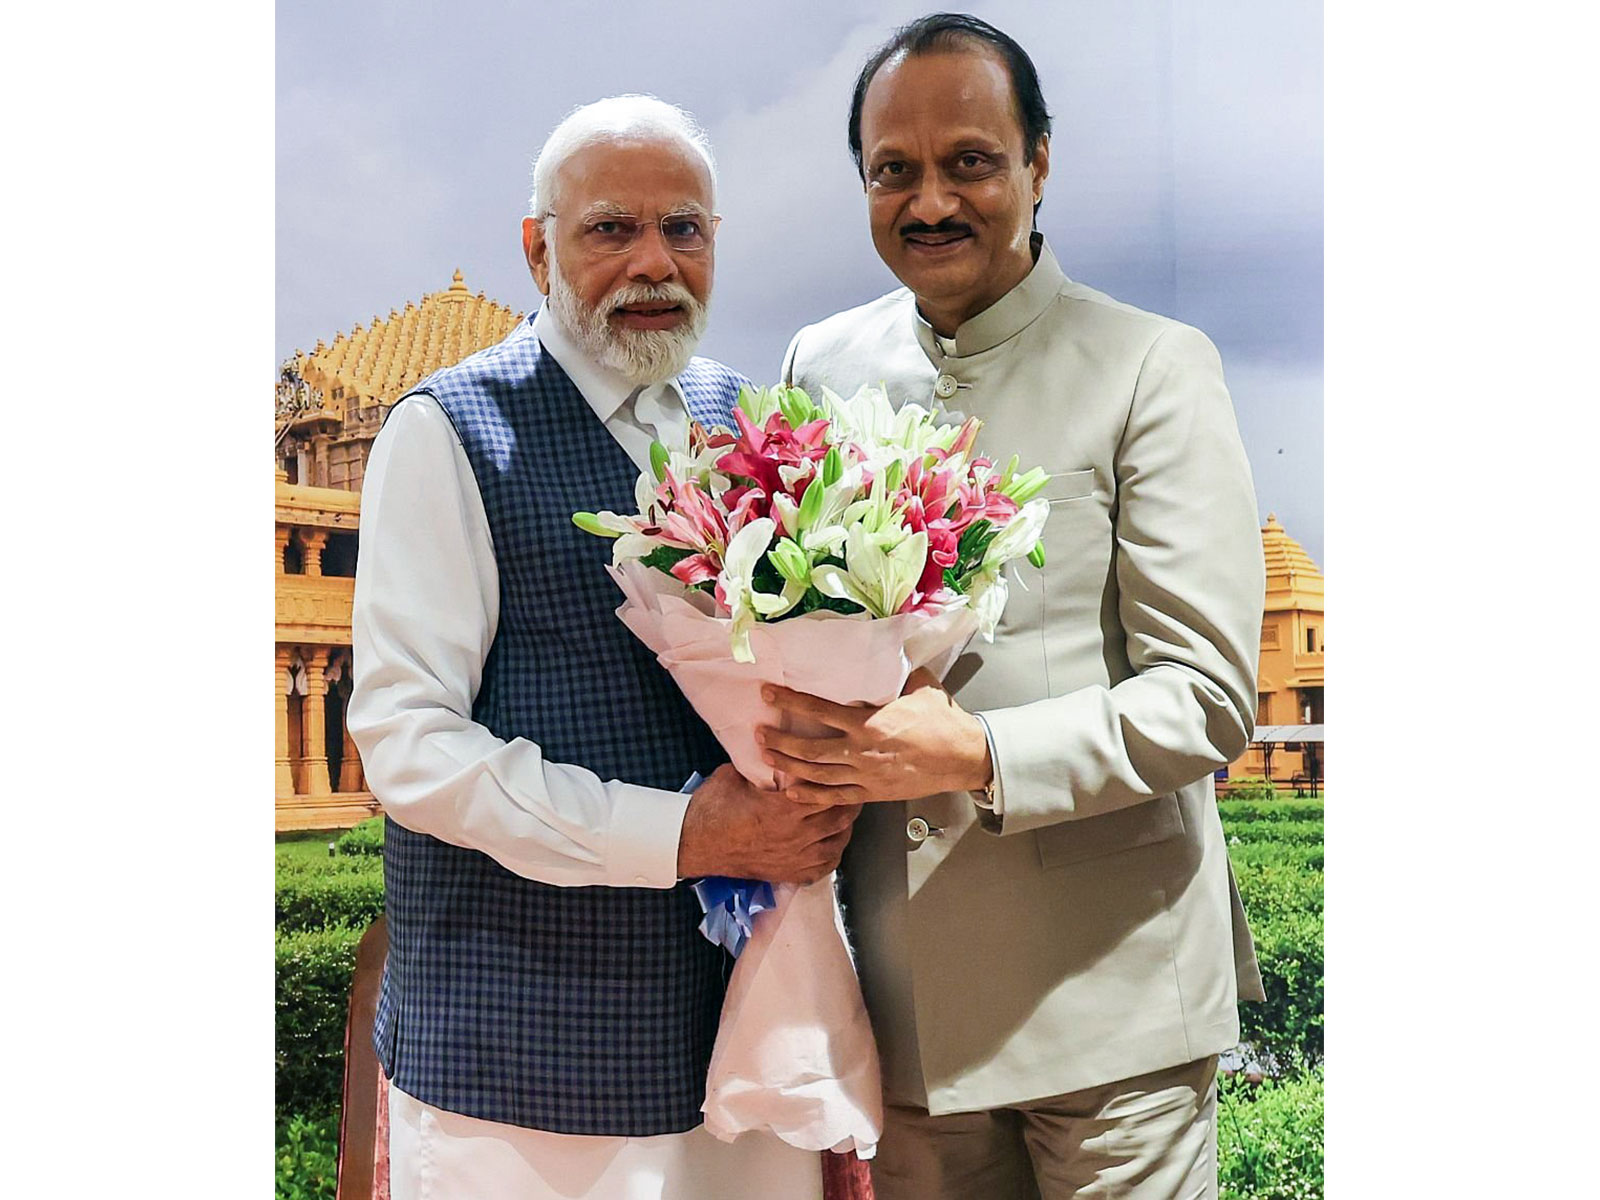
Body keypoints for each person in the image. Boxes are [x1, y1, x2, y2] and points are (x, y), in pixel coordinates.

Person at [765, 15, 1267, 1199]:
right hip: (903, 1016)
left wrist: (980, 750)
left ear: (1038, 165)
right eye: (895, 170)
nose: (930, 199)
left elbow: (1207, 698)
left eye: (970, 162)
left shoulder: (1149, 364)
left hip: (1114, 1006)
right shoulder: (817, 366)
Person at [347, 95, 846, 1200]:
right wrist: (685, 834)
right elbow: (408, 746)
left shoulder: (747, 425)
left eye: (686, 229)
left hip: (740, 1036)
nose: (653, 263)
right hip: (524, 1072)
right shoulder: (449, 433)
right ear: (536, 250)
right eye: (610, 229)